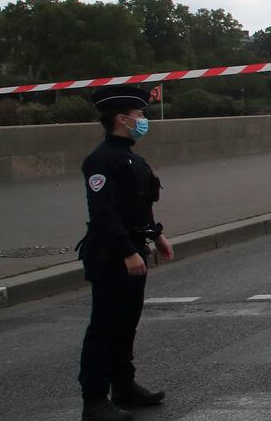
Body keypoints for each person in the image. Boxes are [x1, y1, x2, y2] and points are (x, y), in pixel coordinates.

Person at [77, 86, 174, 421]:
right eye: (140, 115)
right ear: (122, 119)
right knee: (105, 326)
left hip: (133, 246)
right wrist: (126, 253)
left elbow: (137, 205)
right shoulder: (101, 160)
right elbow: (104, 214)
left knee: (126, 323)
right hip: (110, 253)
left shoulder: (130, 156)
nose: (143, 120)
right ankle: (94, 400)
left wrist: (156, 237)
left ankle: (124, 388)